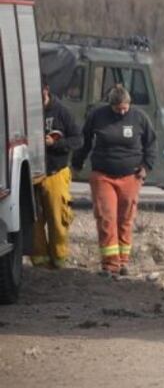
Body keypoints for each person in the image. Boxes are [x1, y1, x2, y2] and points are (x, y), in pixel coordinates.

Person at [72, 85, 156, 276]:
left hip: (131, 176)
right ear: (111, 105)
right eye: (118, 108)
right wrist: (77, 164)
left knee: (125, 219)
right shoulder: (97, 116)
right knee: (106, 217)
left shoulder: (140, 118)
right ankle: (110, 264)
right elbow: (84, 141)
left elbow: (151, 144)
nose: (122, 112)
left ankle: (123, 261)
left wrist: (146, 167)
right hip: (103, 175)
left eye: (125, 107)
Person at [31, 82, 82, 269]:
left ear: (46, 89)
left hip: (55, 173)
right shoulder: (26, 112)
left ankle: (59, 259)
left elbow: (77, 139)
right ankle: (39, 261)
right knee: (34, 220)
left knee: (57, 217)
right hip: (30, 176)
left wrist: (55, 143)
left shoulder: (62, 112)